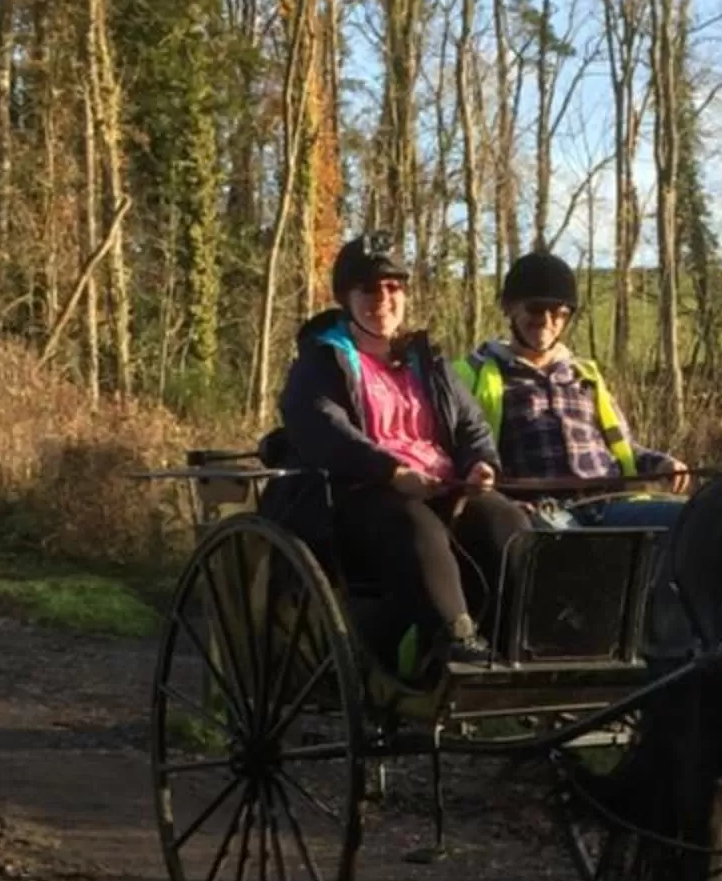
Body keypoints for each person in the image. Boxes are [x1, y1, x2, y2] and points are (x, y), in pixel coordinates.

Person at [271, 232, 530, 677]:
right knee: (413, 524)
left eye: (393, 288)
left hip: (442, 488)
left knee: (504, 520)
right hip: (355, 496)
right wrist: (390, 470)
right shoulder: (322, 360)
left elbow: (470, 425)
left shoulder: (425, 360)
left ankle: (513, 645)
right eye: (369, 289)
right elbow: (321, 427)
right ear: (345, 298)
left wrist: (480, 463)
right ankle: (456, 640)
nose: (383, 299)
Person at [461, 250, 689, 503]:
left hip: (609, 504)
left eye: (559, 312)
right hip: (537, 511)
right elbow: (467, 457)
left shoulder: (586, 377)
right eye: (536, 309)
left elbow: (625, 448)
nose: (547, 321)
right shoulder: (473, 375)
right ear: (508, 308)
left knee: (690, 517)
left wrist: (662, 464)